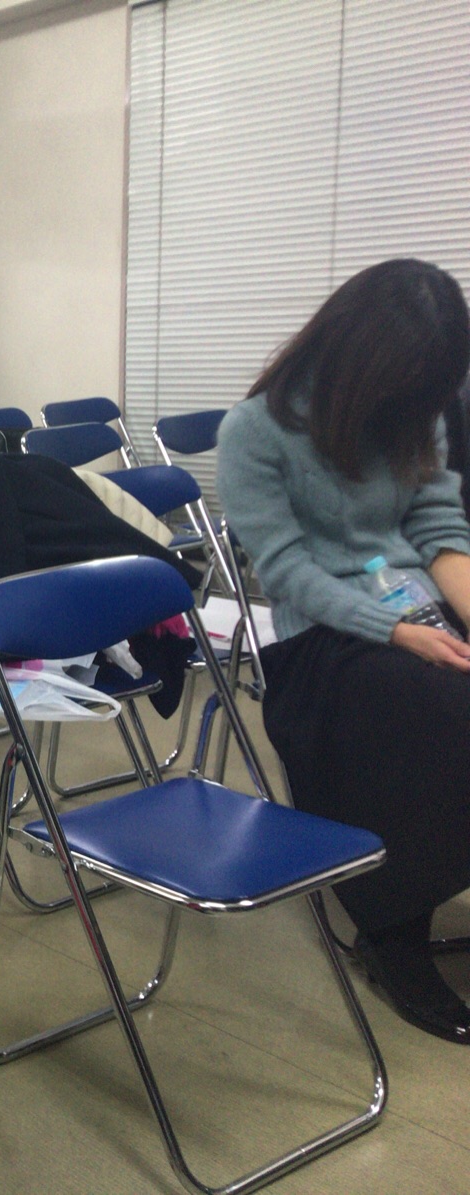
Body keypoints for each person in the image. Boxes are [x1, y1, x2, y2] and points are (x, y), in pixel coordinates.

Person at [217, 257, 470, 1044]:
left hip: (415, 606)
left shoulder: (414, 412)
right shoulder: (255, 431)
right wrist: (396, 630)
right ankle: (393, 931)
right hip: (321, 636)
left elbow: (437, 529)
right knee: (438, 711)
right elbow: (286, 571)